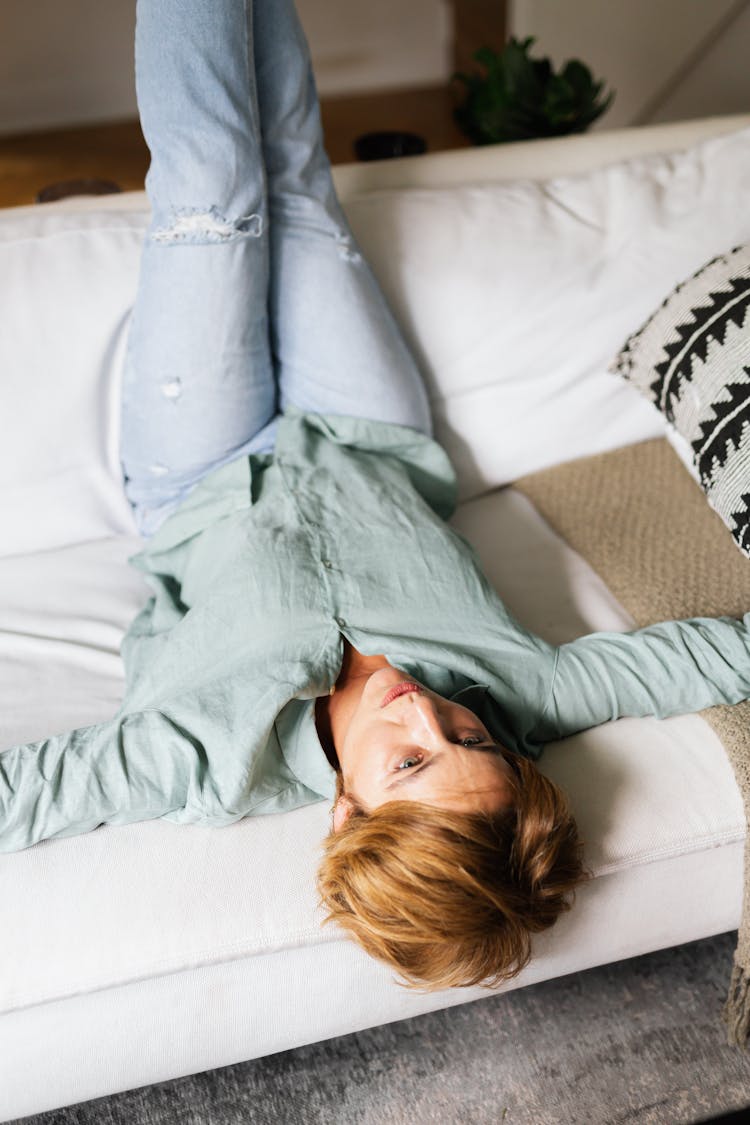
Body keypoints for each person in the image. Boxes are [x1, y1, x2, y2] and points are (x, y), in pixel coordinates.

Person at [4, 0, 750, 993]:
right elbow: (713, 657)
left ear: (347, 811)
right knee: (300, 177)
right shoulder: (529, 695)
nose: (427, 712)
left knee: (214, 191)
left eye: (408, 761)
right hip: (369, 431)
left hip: (200, 474)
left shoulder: (195, 760)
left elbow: (29, 794)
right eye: (469, 738)